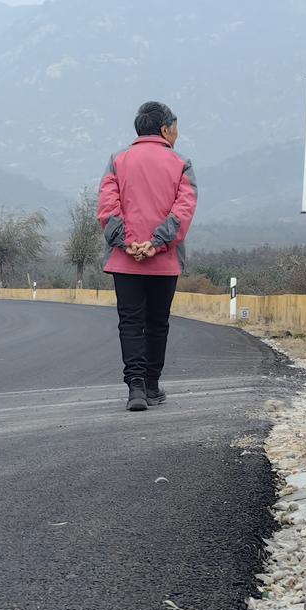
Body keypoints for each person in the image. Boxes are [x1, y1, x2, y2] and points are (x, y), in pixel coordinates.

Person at [97, 101, 197, 411]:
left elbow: (107, 208)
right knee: (157, 323)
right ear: (165, 129)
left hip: (125, 261)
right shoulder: (181, 164)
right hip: (164, 262)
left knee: (130, 323)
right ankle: (152, 384)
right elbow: (183, 210)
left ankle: (136, 389)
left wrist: (128, 243)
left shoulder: (118, 161)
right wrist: (155, 243)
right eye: (176, 127)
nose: (177, 134)